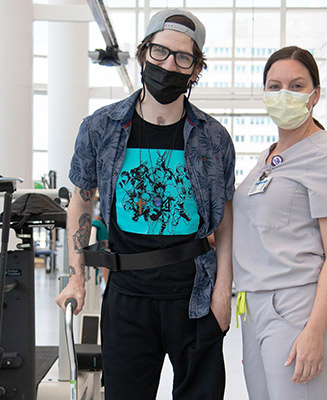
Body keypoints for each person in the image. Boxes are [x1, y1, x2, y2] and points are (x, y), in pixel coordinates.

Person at [55, 8, 235, 400]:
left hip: (195, 295)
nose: (168, 64)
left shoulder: (213, 138)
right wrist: (75, 275)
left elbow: (224, 218)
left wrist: (224, 288)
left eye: (182, 58)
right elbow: (81, 203)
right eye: (159, 52)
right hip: (127, 296)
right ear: (143, 54)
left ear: (195, 70)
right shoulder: (101, 128)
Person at [233, 46, 327, 400]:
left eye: (296, 85)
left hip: (298, 307)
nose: (283, 95)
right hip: (256, 305)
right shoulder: (270, 155)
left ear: (315, 95)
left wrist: (313, 331)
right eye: (274, 86)